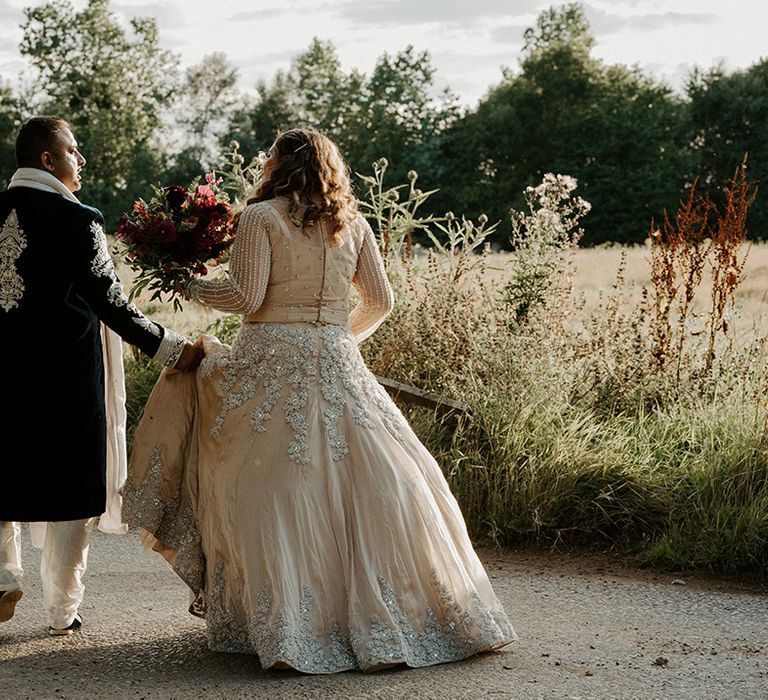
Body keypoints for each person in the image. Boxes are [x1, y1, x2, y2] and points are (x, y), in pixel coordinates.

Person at [123, 127, 516, 672]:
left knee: (266, 486)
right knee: (376, 481)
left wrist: (190, 283)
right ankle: (395, 618)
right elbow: (382, 300)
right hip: (336, 360)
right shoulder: (351, 221)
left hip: (271, 359)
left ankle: (291, 623)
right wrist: (338, 338)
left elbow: (244, 296)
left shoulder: (262, 217)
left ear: (277, 165)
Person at [0, 116, 202, 635]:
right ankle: (61, 610)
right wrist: (171, 347)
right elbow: (109, 301)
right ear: (48, 160)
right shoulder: (78, 219)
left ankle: (2, 576)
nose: (80, 160)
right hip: (64, 377)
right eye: (73, 150)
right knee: (72, 486)